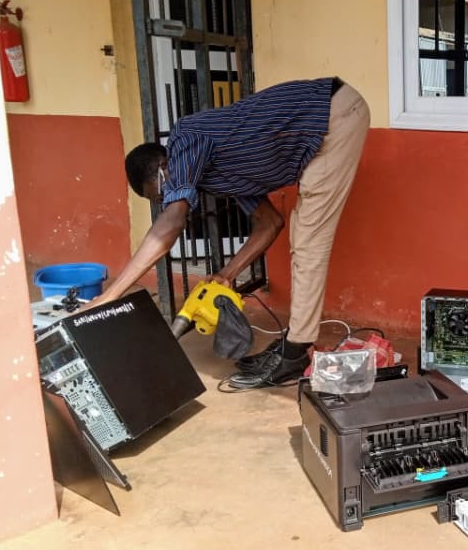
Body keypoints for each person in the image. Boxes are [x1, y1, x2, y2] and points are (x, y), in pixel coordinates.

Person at [101, 77, 369, 385]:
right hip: (327, 117)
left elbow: (172, 223)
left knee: (308, 241)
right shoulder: (219, 173)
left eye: (161, 193)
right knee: (303, 236)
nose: (167, 198)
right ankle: (295, 343)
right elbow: (269, 223)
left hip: (333, 115)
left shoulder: (184, 138)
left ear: (164, 165)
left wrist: (109, 296)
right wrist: (227, 274)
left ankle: (296, 352)